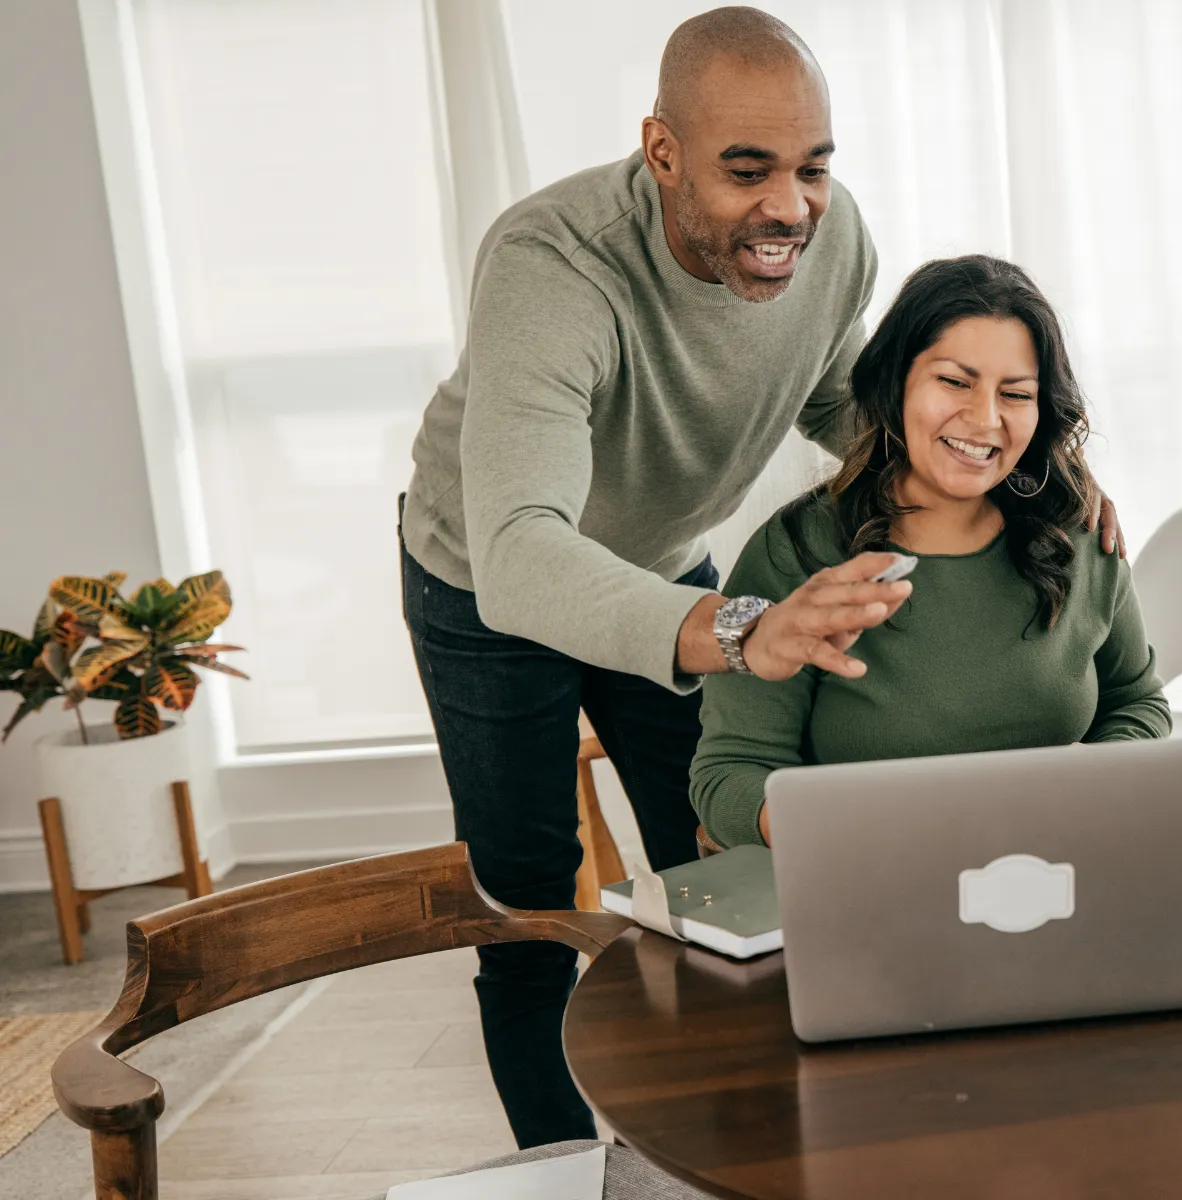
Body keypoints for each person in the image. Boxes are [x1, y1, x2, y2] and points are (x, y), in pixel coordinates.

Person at [399, 6, 1124, 1149]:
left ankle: (734, 1143)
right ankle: (558, 1161)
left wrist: (1036, 476)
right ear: (662, 152)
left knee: (724, 866)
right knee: (532, 903)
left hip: (660, 554)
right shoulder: (551, 267)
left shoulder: (832, 246)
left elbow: (846, 407)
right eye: (748, 171)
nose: (788, 206)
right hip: (485, 584)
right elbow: (523, 557)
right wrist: (744, 626)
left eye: (812, 167)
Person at [691, 256, 1170, 845]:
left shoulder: (1080, 536)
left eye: (1015, 393)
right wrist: (860, 833)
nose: (984, 419)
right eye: (954, 381)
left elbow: (1136, 703)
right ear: (896, 383)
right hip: (868, 889)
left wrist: (1086, 788)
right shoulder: (797, 551)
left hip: (1059, 869)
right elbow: (729, 776)